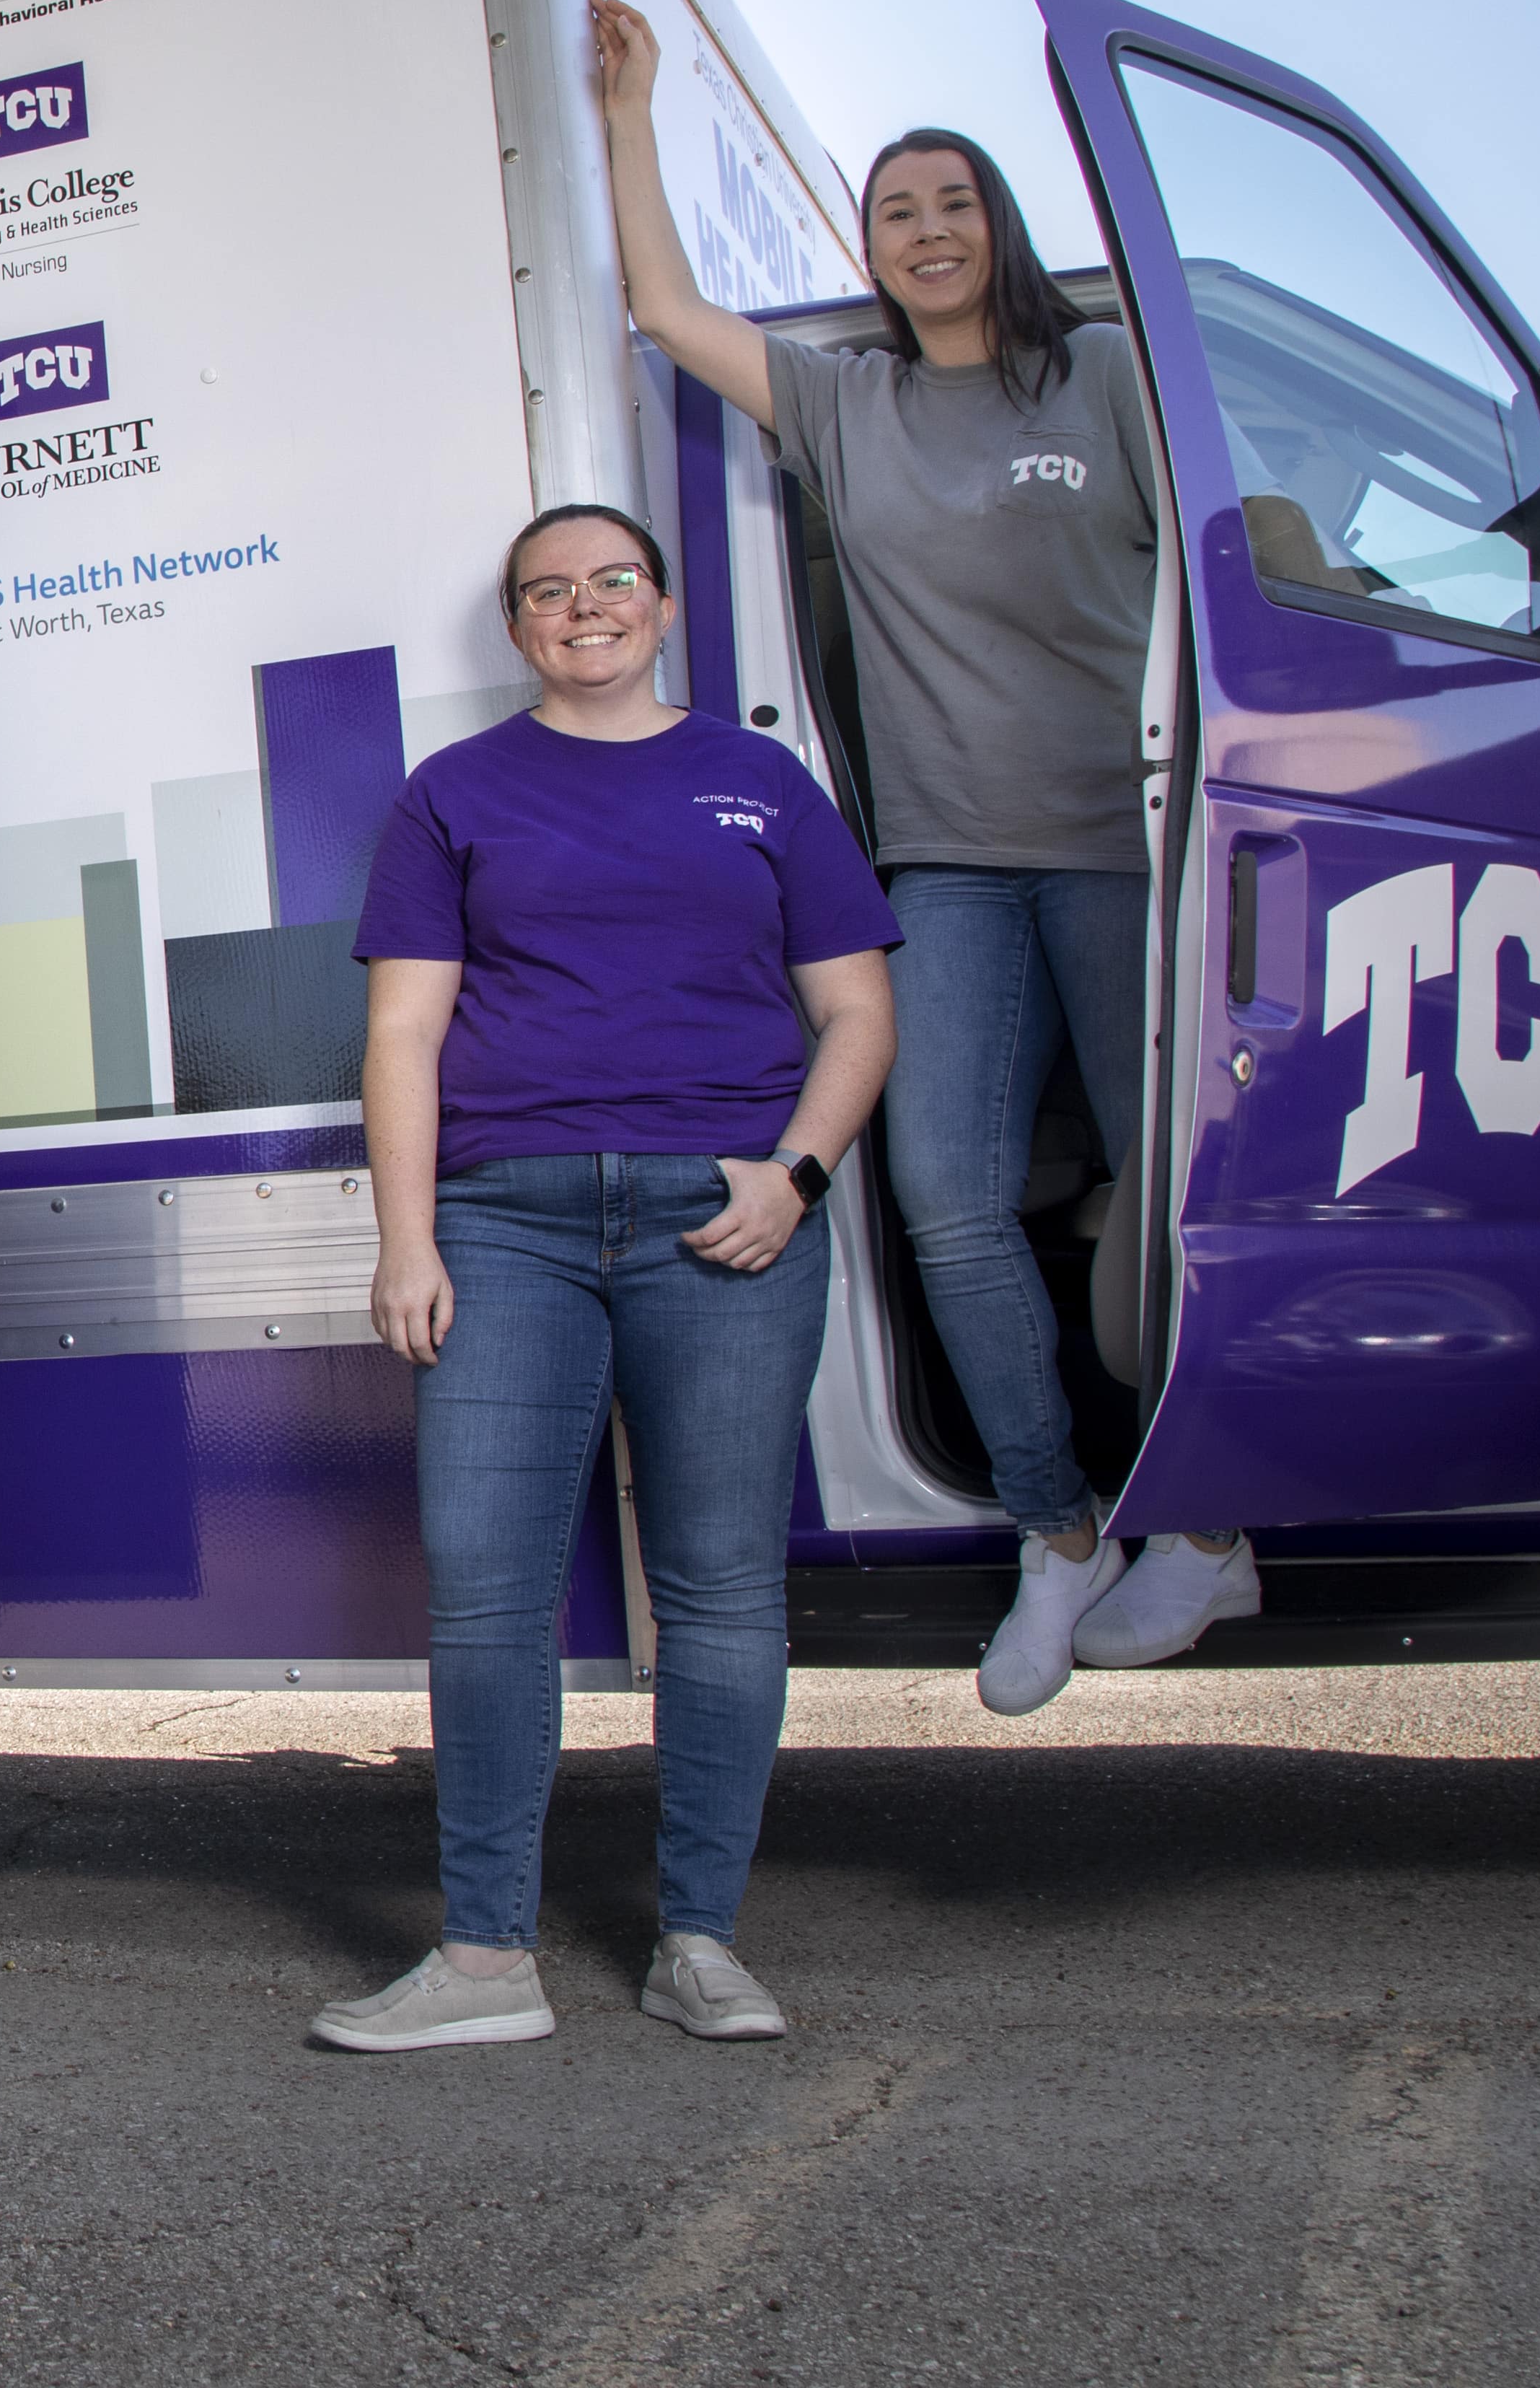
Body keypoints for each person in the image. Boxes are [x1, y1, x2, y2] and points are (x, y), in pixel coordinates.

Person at [591, 0, 1245, 1708]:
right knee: (949, 1196)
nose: (929, 229)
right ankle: (1059, 1532)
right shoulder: (845, 405)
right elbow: (663, 307)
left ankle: (1208, 1523)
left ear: (998, 226)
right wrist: (632, 107)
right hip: (947, 866)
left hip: (1130, 843)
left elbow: (1246, 543)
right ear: (872, 253)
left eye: (954, 200)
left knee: (1175, 1198)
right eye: (897, 211)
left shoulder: (1104, 374)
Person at [321, 505, 898, 2053]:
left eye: (614, 582)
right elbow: (404, 1036)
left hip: (728, 1216)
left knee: (717, 1587)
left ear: (661, 605)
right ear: (519, 626)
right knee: (488, 1587)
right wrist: (408, 1234)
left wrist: (797, 1174)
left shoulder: (762, 781)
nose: (586, 607)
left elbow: (856, 1012)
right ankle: (485, 1961)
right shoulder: (454, 793)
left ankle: (699, 1941)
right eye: (550, 591)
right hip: (506, 1223)